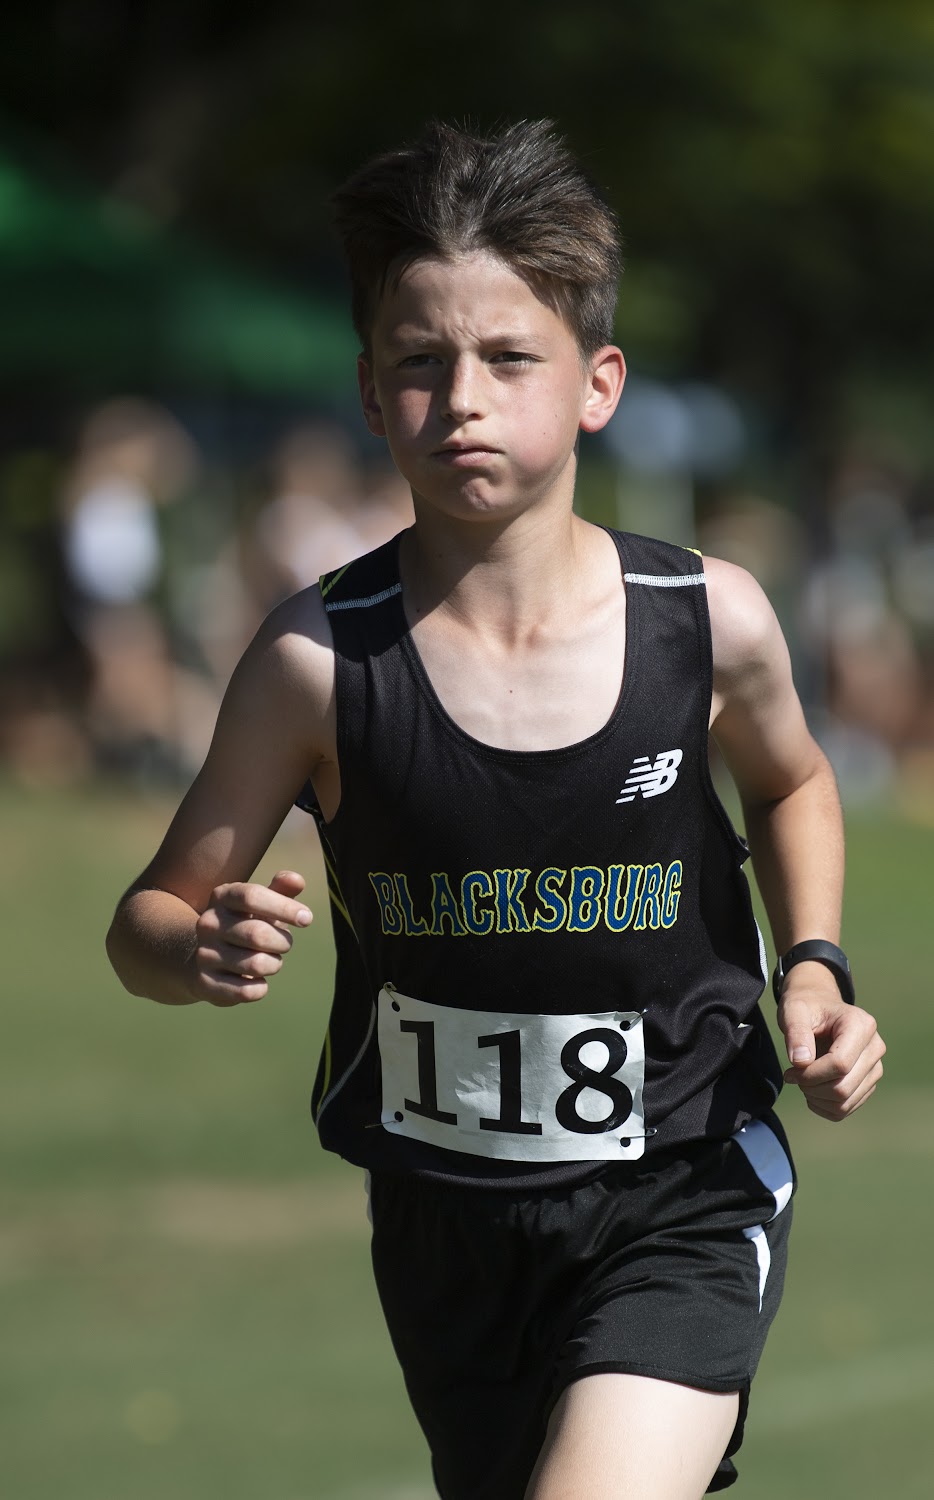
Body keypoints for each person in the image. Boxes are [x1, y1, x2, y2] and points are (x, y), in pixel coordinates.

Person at [106, 120, 885, 1500]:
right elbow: (146, 921)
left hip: (685, 1181)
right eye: (420, 361)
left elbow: (793, 777)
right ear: (369, 390)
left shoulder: (704, 622)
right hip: (445, 1227)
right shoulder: (316, 663)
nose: (461, 397)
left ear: (597, 384)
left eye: (509, 358)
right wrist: (195, 945)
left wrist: (814, 963)